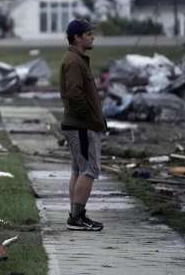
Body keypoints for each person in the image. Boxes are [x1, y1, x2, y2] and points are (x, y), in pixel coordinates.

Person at [60, 18, 107, 231]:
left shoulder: (75, 59)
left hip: (78, 125)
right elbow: (74, 94)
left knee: (79, 170)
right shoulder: (74, 61)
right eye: (88, 34)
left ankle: (76, 215)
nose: (92, 37)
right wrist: (90, 119)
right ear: (77, 37)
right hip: (81, 126)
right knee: (90, 169)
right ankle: (77, 217)